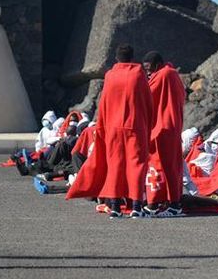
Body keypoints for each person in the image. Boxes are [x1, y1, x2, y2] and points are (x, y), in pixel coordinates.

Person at [67, 44, 154, 218]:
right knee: (136, 165)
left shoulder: (110, 75)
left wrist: (102, 126)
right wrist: (148, 125)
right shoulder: (138, 74)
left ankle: (115, 206)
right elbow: (148, 102)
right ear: (132, 57)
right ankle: (136, 206)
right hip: (134, 127)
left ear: (116, 58)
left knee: (115, 165)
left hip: (113, 127)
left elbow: (104, 103)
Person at [141, 51, 187, 217]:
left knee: (161, 166)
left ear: (156, 64)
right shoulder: (173, 74)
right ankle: (169, 202)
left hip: (163, 128)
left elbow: (146, 95)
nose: (147, 72)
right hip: (171, 127)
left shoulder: (164, 75)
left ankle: (163, 204)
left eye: (148, 68)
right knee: (170, 167)